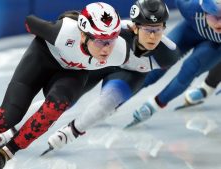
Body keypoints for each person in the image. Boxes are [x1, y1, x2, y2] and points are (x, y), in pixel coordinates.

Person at [0, 2, 128, 169]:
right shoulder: (63, 32)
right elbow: (30, 22)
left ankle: (9, 150)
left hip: (71, 73)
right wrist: (60, 20)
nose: (107, 48)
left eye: (111, 40)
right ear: (83, 35)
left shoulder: (119, 51)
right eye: (101, 41)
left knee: (56, 106)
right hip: (41, 59)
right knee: (6, 118)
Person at [43, 0, 180, 153]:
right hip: (101, 64)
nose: (153, 36)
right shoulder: (116, 29)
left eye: (158, 29)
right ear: (134, 27)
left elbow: (152, 78)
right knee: (61, 100)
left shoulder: (169, 54)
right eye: (148, 30)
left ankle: (69, 133)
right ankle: (16, 126)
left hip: (130, 73)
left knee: (108, 102)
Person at [125, 0, 221, 128]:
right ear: (203, 12)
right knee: (156, 65)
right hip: (190, 29)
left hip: (215, 46)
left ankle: (153, 106)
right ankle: (117, 100)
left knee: (190, 69)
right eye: (216, 16)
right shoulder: (188, 7)